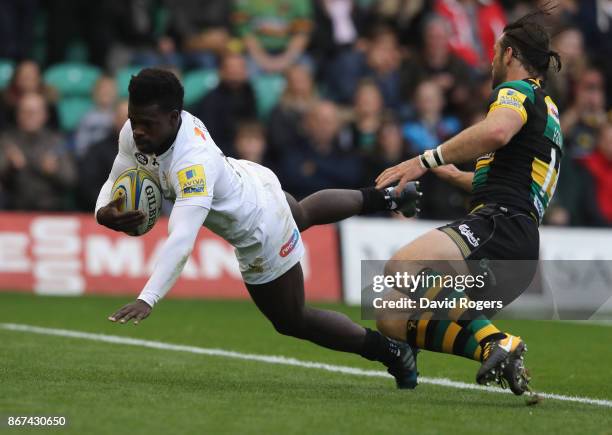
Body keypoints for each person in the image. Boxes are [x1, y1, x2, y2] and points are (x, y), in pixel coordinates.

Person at [95, 68, 421, 389]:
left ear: (174, 117)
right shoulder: (139, 129)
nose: (137, 131)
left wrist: (148, 297)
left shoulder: (192, 163)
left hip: (258, 229)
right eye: (134, 120)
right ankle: (388, 197)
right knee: (303, 213)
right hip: (252, 180)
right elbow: (116, 177)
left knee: (292, 319)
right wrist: (102, 212)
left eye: (147, 124)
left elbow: (181, 238)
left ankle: (391, 351)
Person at [373, 11, 563, 395]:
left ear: (509, 54)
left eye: (494, 52)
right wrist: (456, 176)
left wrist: (426, 160)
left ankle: (497, 341)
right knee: (391, 313)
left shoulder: (517, 91)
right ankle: (492, 350)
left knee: (402, 265)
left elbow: (495, 131)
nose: (491, 61)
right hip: (518, 246)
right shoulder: (551, 111)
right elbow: (510, 181)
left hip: (500, 226)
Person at [0, 92, 76, 211]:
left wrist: (54, 171)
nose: (29, 116)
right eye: (25, 112)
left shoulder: (56, 141)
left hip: (51, 209)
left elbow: (70, 179)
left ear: (45, 115)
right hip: (15, 209)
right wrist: (10, 167)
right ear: (18, 115)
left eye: (34, 112)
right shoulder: (7, 140)